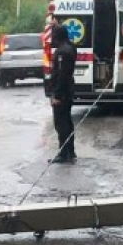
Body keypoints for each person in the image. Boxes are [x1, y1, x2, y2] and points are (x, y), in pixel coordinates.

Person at [49, 23, 77, 164]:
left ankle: (64, 152)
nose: (52, 39)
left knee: (61, 123)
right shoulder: (70, 47)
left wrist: (57, 96)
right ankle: (70, 151)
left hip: (63, 93)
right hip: (68, 91)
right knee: (67, 121)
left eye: (53, 36)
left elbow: (61, 75)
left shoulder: (62, 52)